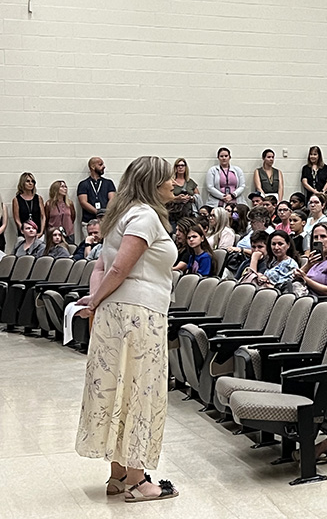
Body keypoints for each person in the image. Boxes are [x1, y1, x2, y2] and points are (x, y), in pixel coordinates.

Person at [75, 156, 179, 502]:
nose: (175, 183)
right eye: (169, 179)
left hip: (117, 313)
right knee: (140, 391)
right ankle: (138, 481)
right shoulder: (146, 216)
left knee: (118, 387)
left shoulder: (120, 214)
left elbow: (101, 267)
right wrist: (93, 302)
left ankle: (118, 476)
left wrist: (95, 300)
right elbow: (118, 269)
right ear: (153, 182)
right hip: (139, 315)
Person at [293, 223, 327, 297]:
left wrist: (306, 279)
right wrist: (308, 265)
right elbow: (296, 278)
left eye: (323, 236)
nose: (319, 240)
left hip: (318, 302)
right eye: (315, 237)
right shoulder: (315, 259)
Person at [77, 157, 117, 233]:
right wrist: (98, 213)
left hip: (105, 221)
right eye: (100, 164)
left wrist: (105, 214)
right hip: (88, 222)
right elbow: (83, 202)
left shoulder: (108, 183)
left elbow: (112, 199)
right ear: (92, 167)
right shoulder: (83, 184)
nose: (104, 166)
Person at [13, 172, 45, 237]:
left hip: (38, 234)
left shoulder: (38, 198)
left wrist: (41, 232)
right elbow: (17, 219)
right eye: (28, 181)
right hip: (24, 235)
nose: (30, 183)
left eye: (32, 181)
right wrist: (23, 231)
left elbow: (43, 216)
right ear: (22, 183)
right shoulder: (16, 199)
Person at [44, 180, 76, 244]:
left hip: (68, 234)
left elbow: (73, 217)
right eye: (62, 187)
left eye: (65, 187)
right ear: (56, 189)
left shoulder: (69, 203)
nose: (65, 189)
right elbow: (46, 219)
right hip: (54, 234)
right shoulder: (49, 204)